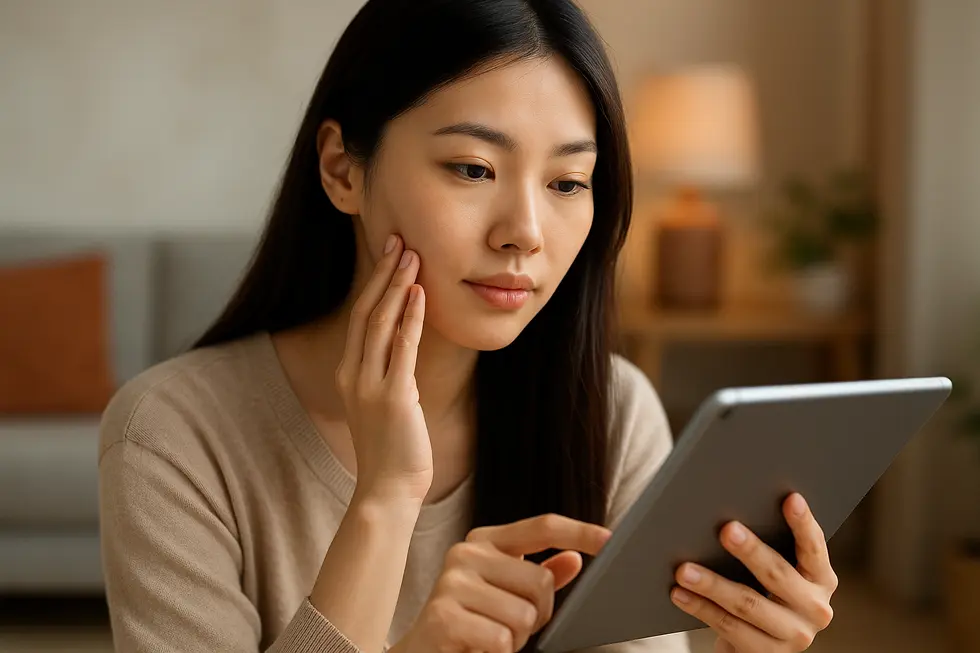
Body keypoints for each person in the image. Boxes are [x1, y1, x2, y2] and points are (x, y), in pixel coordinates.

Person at [98, 1, 839, 651]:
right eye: (473, 168)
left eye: (567, 182)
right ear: (342, 169)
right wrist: (386, 499)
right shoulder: (170, 433)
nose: (524, 231)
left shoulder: (612, 411)